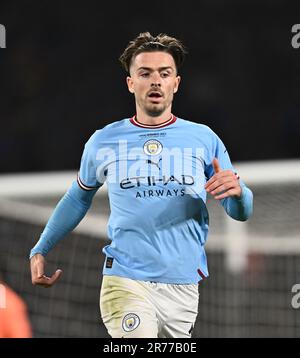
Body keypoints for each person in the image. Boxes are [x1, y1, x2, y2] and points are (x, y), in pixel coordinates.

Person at [30, 32, 253, 338]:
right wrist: (41, 248)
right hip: (126, 278)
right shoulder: (104, 140)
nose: (155, 81)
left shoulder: (203, 139)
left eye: (165, 73)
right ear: (131, 83)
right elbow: (78, 198)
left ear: (176, 83)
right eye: (145, 73)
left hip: (184, 285)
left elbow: (240, 211)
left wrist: (239, 194)